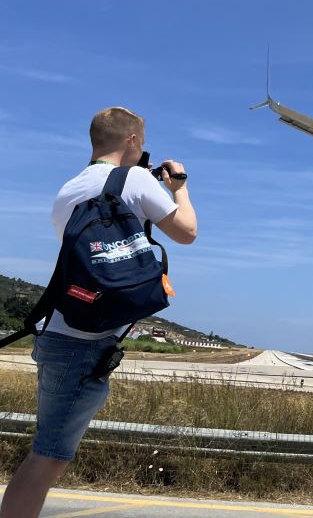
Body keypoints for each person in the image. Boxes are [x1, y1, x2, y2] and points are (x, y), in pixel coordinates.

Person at [0, 106, 198, 518]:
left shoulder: (70, 189)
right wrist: (179, 186)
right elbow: (187, 232)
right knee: (47, 458)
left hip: (61, 331)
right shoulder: (138, 179)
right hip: (81, 345)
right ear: (131, 141)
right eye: (141, 142)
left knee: (48, 454)